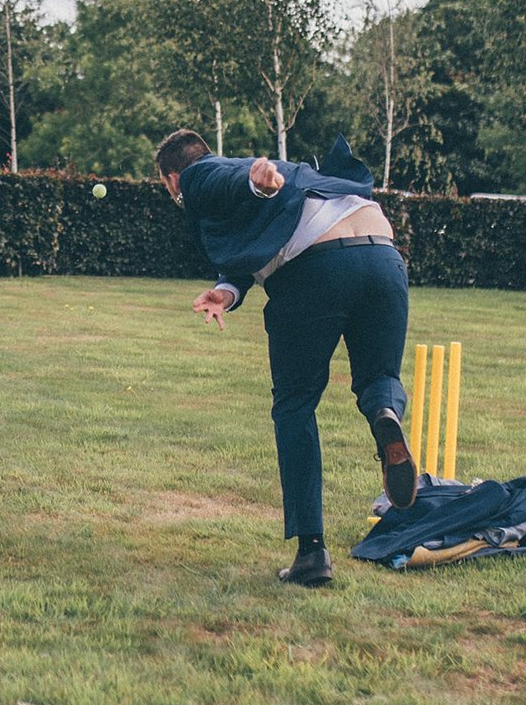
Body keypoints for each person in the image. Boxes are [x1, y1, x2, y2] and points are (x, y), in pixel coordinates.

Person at [158, 128, 415, 588]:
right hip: (383, 254)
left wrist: (255, 183)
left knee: (295, 405)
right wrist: (226, 291)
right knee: (379, 378)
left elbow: (226, 180)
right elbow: (249, 247)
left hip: (317, 269)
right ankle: (384, 414)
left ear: (172, 179)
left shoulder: (199, 176)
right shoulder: (296, 176)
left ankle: (312, 555)